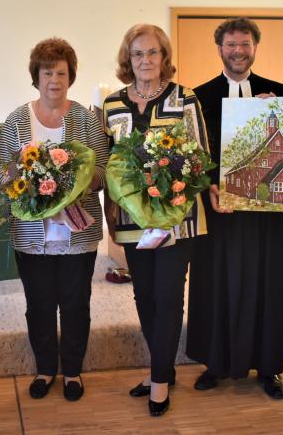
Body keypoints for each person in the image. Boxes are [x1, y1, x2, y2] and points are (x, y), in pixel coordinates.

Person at [186, 17, 283, 400]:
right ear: (219, 48)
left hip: (268, 215)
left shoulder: (282, 92)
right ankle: (215, 364)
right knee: (217, 283)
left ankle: (269, 367)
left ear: (255, 47)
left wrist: (278, 115)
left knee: (268, 284)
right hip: (220, 210)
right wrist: (210, 187)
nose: (238, 51)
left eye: (245, 44)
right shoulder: (198, 97)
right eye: (231, 45)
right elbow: (191, 156)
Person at [103, 24, 210, 417]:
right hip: (132, 220)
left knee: (167, 296)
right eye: (138, 54)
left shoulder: (185, 99)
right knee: (144, 296)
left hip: (177, 220)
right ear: (127, 60)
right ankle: (161, 368)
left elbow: (200, 158)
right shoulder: (112, 105)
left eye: (152, 52)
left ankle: (160, 381)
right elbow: (110, 164)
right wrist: (110, 211)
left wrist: (175, 191)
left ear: (164, 57)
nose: (145, 60)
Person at [0, 38, 109, 402]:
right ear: (37, 77)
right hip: (32, 237)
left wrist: (75, 185)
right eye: (47, 73)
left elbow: (102, 169)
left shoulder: (86, 119)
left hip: (78, 235)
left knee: (76, 305)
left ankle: (72, 371)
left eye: (61, 73)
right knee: (39, 306)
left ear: (70, 76)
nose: (54, 80)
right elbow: (3, 172)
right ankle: (45, 368)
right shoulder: (17, 120)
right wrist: (27, 184)